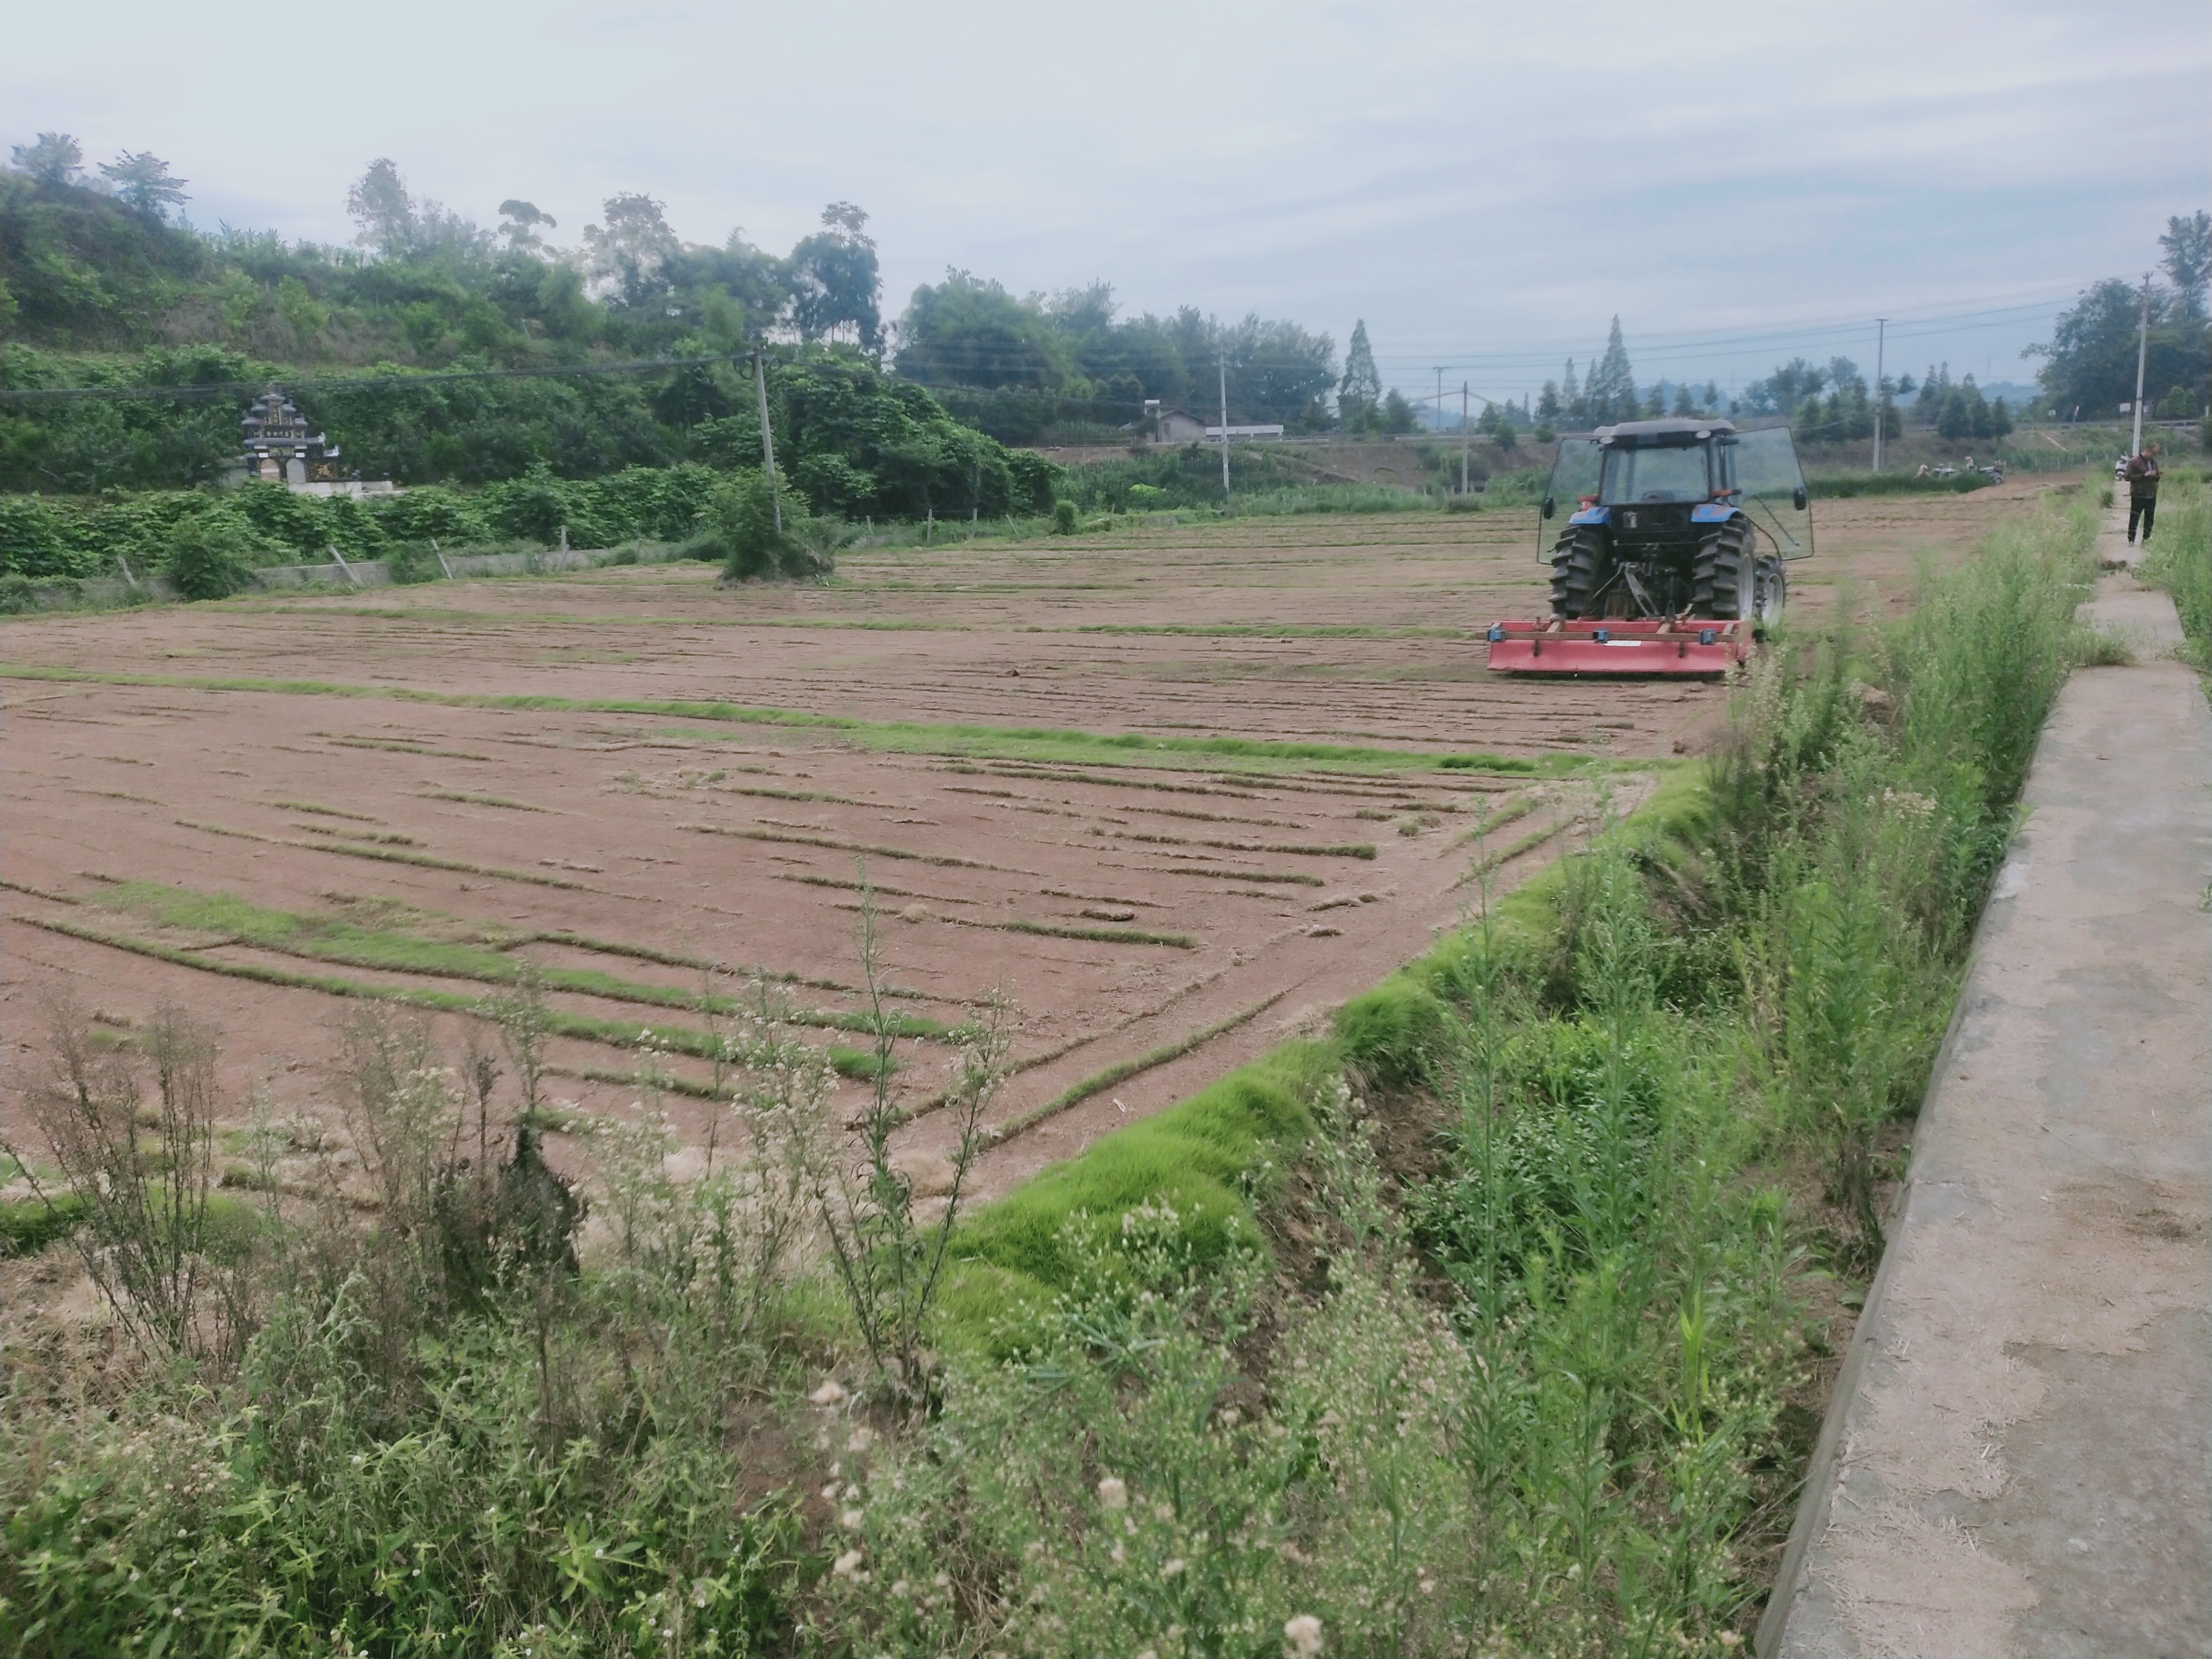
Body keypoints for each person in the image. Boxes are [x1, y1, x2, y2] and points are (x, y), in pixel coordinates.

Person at [2124, 442, 2162, 544]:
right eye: (2153, 453)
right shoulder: (2135, 462)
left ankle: (2146, 538)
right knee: (2135, 517)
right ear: (2148, 451)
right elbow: (2127, 477)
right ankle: (2131, 539)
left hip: (2151, 494)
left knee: (2150, 518)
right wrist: (2143, 475)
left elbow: (2157, 477)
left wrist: (2156, 475)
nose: (2154, 456)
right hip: (2138, 494)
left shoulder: (2154, 462)